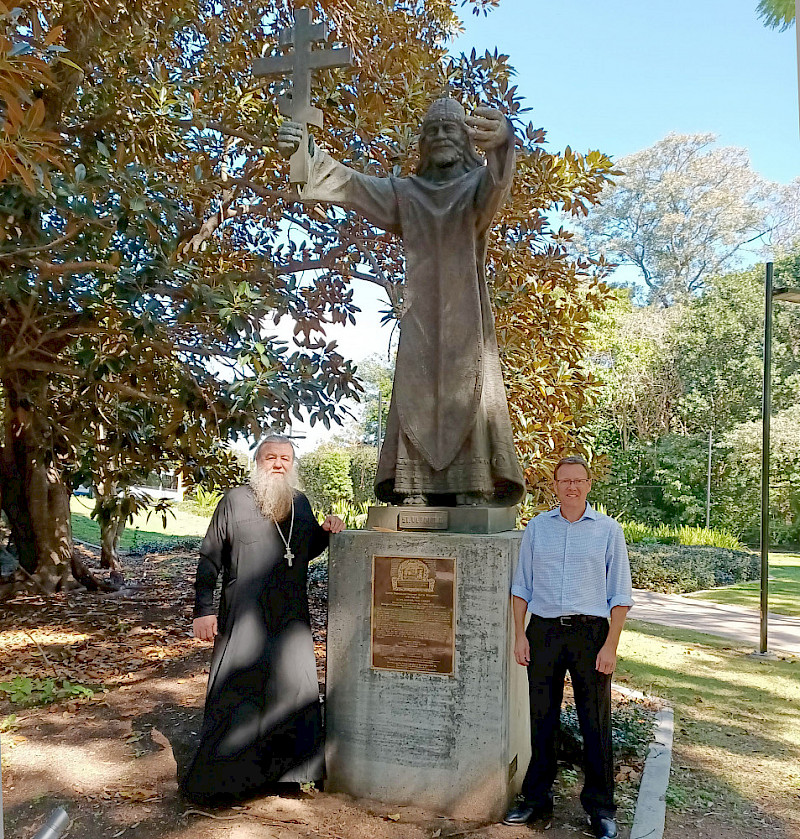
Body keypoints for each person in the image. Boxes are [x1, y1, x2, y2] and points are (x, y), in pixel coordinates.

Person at [277, 97, 525, 508]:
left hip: (467, 319)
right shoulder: (405, 194)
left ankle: (473, 483)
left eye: (450, 129)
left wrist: (502, 143)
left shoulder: (475, 187)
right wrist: (305, 152)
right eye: (433, 131)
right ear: (423, 144)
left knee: (472, 385)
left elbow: (498, 184)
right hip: (421, 323)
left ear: (466, 139)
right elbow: (352, 184)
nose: (441, 137)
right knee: (417, 388)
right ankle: (414, 486)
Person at [178, 435, 345, 806]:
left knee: (291, 692)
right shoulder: (234, 501)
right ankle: (228, 782)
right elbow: (209, 559)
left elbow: (302, 549)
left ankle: (289, 775)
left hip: (289, 619)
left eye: (286, 458)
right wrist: (203, 609)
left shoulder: (299, 502)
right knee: (240, 693)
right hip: (244, 618)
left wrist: (327, 530)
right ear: (258, 461)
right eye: (272, 457)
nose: (279, 463)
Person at [504, 456, 633, 839]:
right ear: (555, 485)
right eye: (564, 481)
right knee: (540, 719)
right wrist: (519, 634)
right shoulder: (537, 529)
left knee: (595, 722)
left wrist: (610, 646)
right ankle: (536, 799)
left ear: (588, 485)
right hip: (543, 632)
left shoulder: (609, 531)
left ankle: (600, 808)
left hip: (591, 634)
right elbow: (521, 587)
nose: (572, 487)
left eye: (578, 481)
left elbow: (620, 596)